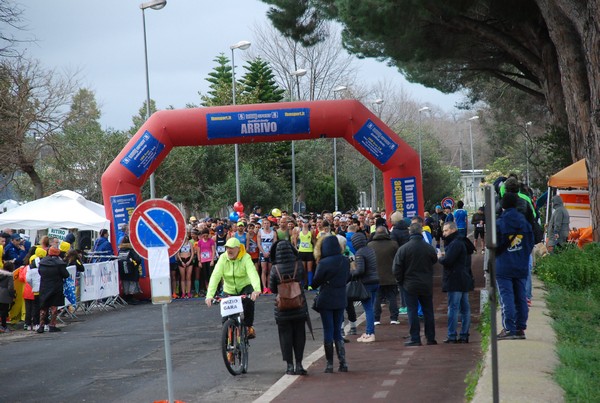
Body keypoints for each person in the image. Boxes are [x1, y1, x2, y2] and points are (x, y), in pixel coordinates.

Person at [496, 192, 535, 339]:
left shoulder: (500, 223)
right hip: (521, 265)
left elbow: (493, 245)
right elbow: (530, 243)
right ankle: (520, 328)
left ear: (503, 205)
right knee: (521, 296)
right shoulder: (524, 222)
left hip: (503, 265)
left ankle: (509, 329)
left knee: (507, 297)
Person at [205, 238, 261, 339]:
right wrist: (209, 295)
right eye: (227, 248)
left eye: (231, 248)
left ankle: (249, 326)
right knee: (225, 318)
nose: (229, 251)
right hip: (229, 289)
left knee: (249, 302)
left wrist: (256, 289)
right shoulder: (223, 258)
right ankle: (227, 344)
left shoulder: (246, 257)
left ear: (238, 249)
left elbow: (253, 273)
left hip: (245, 286)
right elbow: (215, 276)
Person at [393, 223, 438, 346]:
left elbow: (396, 267)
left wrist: (400, 281)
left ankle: (415, 338)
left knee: (412, 311)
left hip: (409, 284)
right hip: (426, 283)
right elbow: (434, 260)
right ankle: (430, 337)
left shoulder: (404, 249)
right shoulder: (428, 248)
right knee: (428, 310)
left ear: (410, 233)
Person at [269, 240, 309, 375]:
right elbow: (303, 280)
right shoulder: (298, 265)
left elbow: (272, 288)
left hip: (282, 308)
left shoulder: (275, 269)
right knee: (299, 335)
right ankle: (299, 364)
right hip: (299, 305)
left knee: (285, 337)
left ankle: (289, 366)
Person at [312, 235, 350, 373]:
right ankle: (343, 362)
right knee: (338, 331)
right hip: (340, 297)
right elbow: (348, 277)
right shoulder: (344, 261)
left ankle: (329, 364)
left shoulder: (324, 262)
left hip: (326, 298)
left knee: (328, 330)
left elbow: (315, 282)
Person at [438, 222, 471, 343]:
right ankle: (464, 334)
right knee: (465, 308)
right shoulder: (462, 241)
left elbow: (448, 261)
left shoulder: (455, 243)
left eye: (446, 231)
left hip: (454, 279)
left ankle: (452, 335)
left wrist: (440, 258)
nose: (444, 233)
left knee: (453, 308)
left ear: (452, 230)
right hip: (464, 278)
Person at [350, 232, 379, 343]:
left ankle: (370, 333)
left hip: (367, 282)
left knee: (368, 309)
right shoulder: (370, 249)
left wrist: (351, 272)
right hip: (376, 280)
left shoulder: (359, 253)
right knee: (371, 307)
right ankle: (368, 331)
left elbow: (360, 270)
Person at [369, 226, 400, 326]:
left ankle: (376, 319)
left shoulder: (370, 245)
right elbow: (398, 259)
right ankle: (394, 318)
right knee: (392, 298)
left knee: (377, 299)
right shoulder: (394, 244)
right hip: (391, 275)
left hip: (376, 277)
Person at [37, 246, 70, 333]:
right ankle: (52, 325)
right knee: (54, 307)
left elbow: (40, 272)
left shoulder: (42, 262)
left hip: (44, 286)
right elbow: (66, 274)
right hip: (56, 286)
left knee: (43, 307)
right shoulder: (60, 263)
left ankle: (41, 326)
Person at [117, 236, 142, 304]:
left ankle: (126, 297)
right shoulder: (131, 250)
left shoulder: (120, 250)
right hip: (132, 271)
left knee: (125, 284)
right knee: (132, 284)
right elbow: (138, 259)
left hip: (123, 271)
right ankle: (131, 298)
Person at [257, 218, 277, 294]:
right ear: (262, 224)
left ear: (270, 224)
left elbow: (274, 243)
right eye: (265, 223)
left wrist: (269, 252)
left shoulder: (273, 232)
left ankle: (269, 287)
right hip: (263, 253)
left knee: (269, 270)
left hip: (270, 253)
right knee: (264, 270)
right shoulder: (260, 232)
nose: (266, 225)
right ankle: (264, 287)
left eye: (267, 223)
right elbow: (259, 244)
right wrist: (263, 252)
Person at [297, 219, 315, 290]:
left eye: (306, 222)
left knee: (309, 269)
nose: (304, 224)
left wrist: (315, 249)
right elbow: (294, 240)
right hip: (301, 251)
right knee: (303, 269)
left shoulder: (311, 232)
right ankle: (303, 284)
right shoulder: (299, 231)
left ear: (308, 224)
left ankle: (310, 284)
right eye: (303, 222)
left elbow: (314, 240)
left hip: (309, 251)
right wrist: (296, 248)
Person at [176, 234, 195, 299]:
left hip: (188, 259)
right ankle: (183, 293)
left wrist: (189, 261)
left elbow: (192, 253)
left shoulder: (190, 243)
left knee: (188, 277)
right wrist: (181, 261)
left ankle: (188, 292)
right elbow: (178, 253)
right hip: (182, 259)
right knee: (183, 277)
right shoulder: (180, 243)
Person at [0, 261, 15, 333]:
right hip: (5, 296)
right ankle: (3, 326)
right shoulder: (10, 276)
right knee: (4, 311)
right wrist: (13, 295)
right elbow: (10, 287)